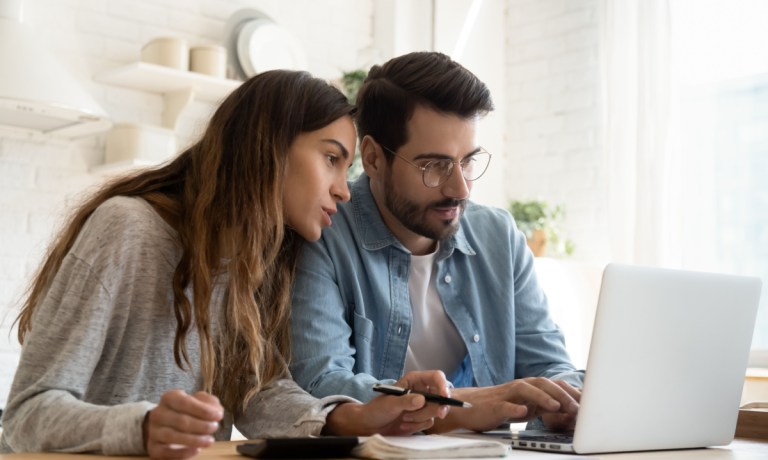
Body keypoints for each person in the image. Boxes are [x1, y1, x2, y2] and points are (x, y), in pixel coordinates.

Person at [0, 70, 452, 459]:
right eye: (331, 158)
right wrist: (141, 427)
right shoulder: (128, 229)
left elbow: (257, 393)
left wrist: (354, 417)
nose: (344, 190)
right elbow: (26, 413)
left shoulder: (255, 263)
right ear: (267, 147)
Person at [289, 52, 584, 433]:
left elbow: (550, 364)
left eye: (468, 161)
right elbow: (320, 384)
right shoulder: (321, 233)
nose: (460, 188)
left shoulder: (499, 237)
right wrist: (460, 408)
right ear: (375, 159)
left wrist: (563, 401)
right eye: (435, 165)